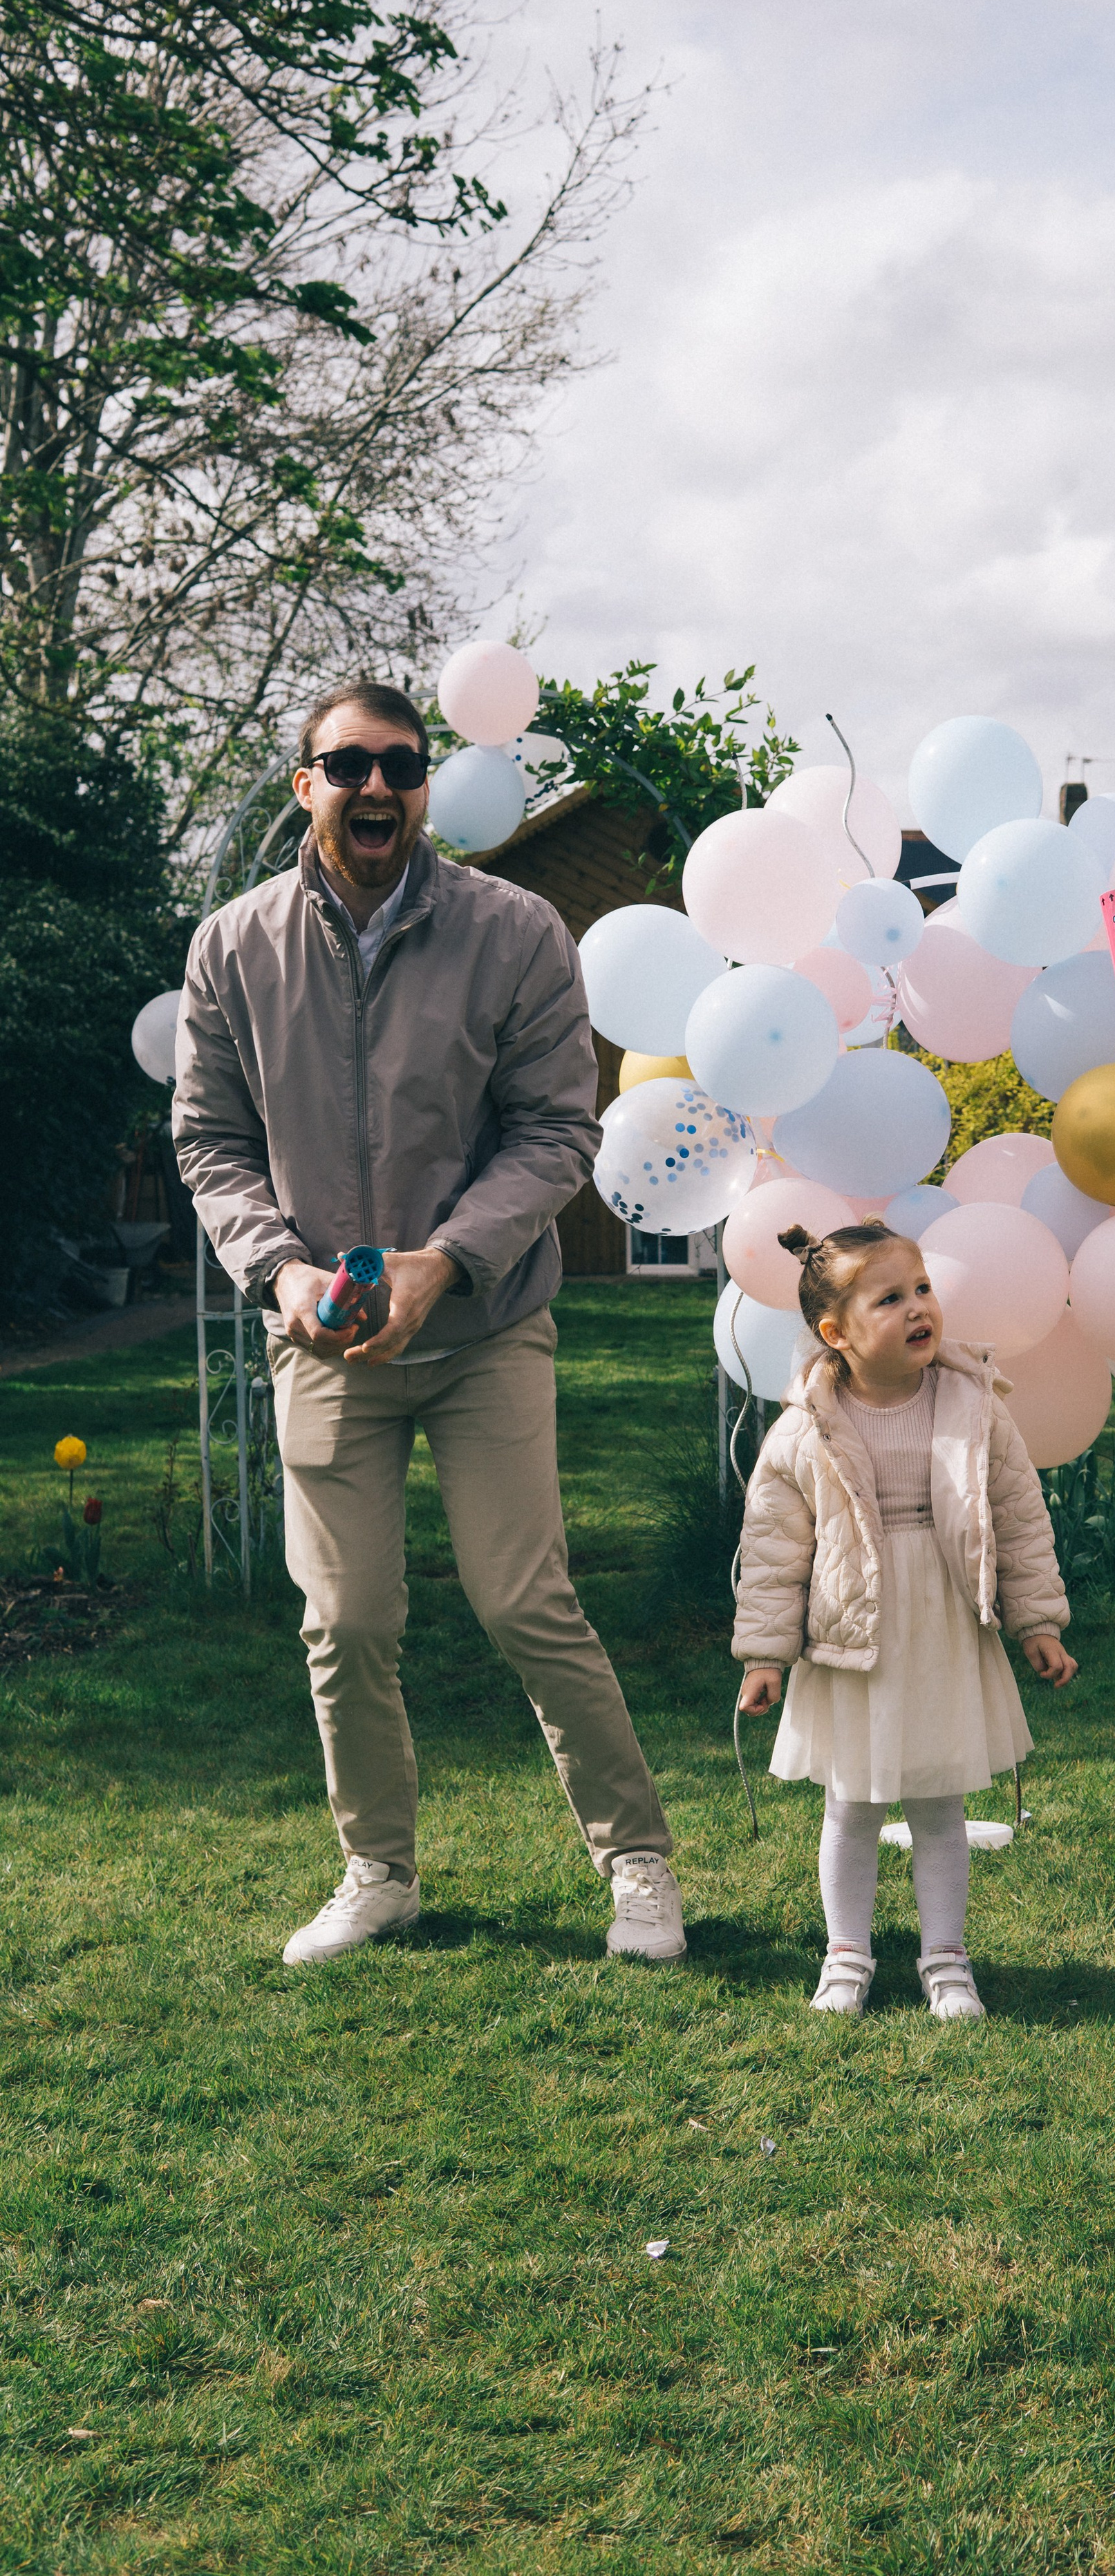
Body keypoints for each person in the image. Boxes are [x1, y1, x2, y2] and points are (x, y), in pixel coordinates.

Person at [174, 677, 685, 1969]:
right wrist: (282, 1276)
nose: (376, 790)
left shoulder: (513, 930)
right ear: (308, 786)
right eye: (347, 768)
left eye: (399, 767)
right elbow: (212, 1145)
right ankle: (378, 1873)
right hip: (322, 1338)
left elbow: (558, 1128)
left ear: (424, 786)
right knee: (343, 1623)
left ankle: (638, 1865)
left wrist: (446, 1263)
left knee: (526, 1602)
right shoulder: (233, 945)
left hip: (484, 1327)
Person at [731, 1220, 1076, 2020]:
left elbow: (1017, 1517)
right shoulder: (804, 1427)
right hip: (854, 1632)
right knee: (851, 1803)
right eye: (890, 1299)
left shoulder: (972, 1405)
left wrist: (1037, 1621)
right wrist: (765, 1654)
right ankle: (846, 1952)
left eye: (922, 1289)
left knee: (938, 1803)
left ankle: (945, 1957)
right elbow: (774, 1549)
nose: (918, 1307)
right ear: (836, 1333)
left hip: (945, 1623)